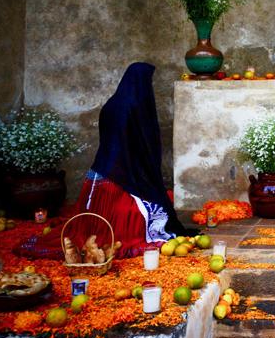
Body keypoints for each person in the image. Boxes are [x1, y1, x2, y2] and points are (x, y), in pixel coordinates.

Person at [17, 62, 190, 260]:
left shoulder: (113, 103)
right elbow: (139, 142)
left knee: (94, 213)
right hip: (122, 172)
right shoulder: (132, 106)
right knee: (145, 209)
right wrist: (143, 170)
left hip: (102, 169)